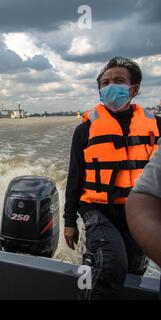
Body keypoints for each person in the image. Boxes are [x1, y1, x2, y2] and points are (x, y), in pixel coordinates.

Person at [63, 57, 161, 299]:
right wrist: (68, 221)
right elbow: (75, 177)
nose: (110, 86)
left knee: (133, 270)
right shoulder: (84, 130)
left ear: (134, 89)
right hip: (97, 209)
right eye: (105, 83)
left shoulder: (155, 127)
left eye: (119, 81)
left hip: (138, 212)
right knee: (110, 265)